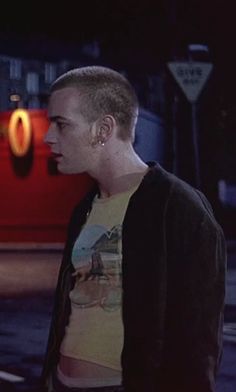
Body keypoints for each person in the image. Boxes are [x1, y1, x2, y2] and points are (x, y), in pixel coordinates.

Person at [42, 65, 226, 392]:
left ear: (103, 129)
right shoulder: (85, 208)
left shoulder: (179, 208)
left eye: (61, 124)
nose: (48, 137)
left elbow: (199, 343)